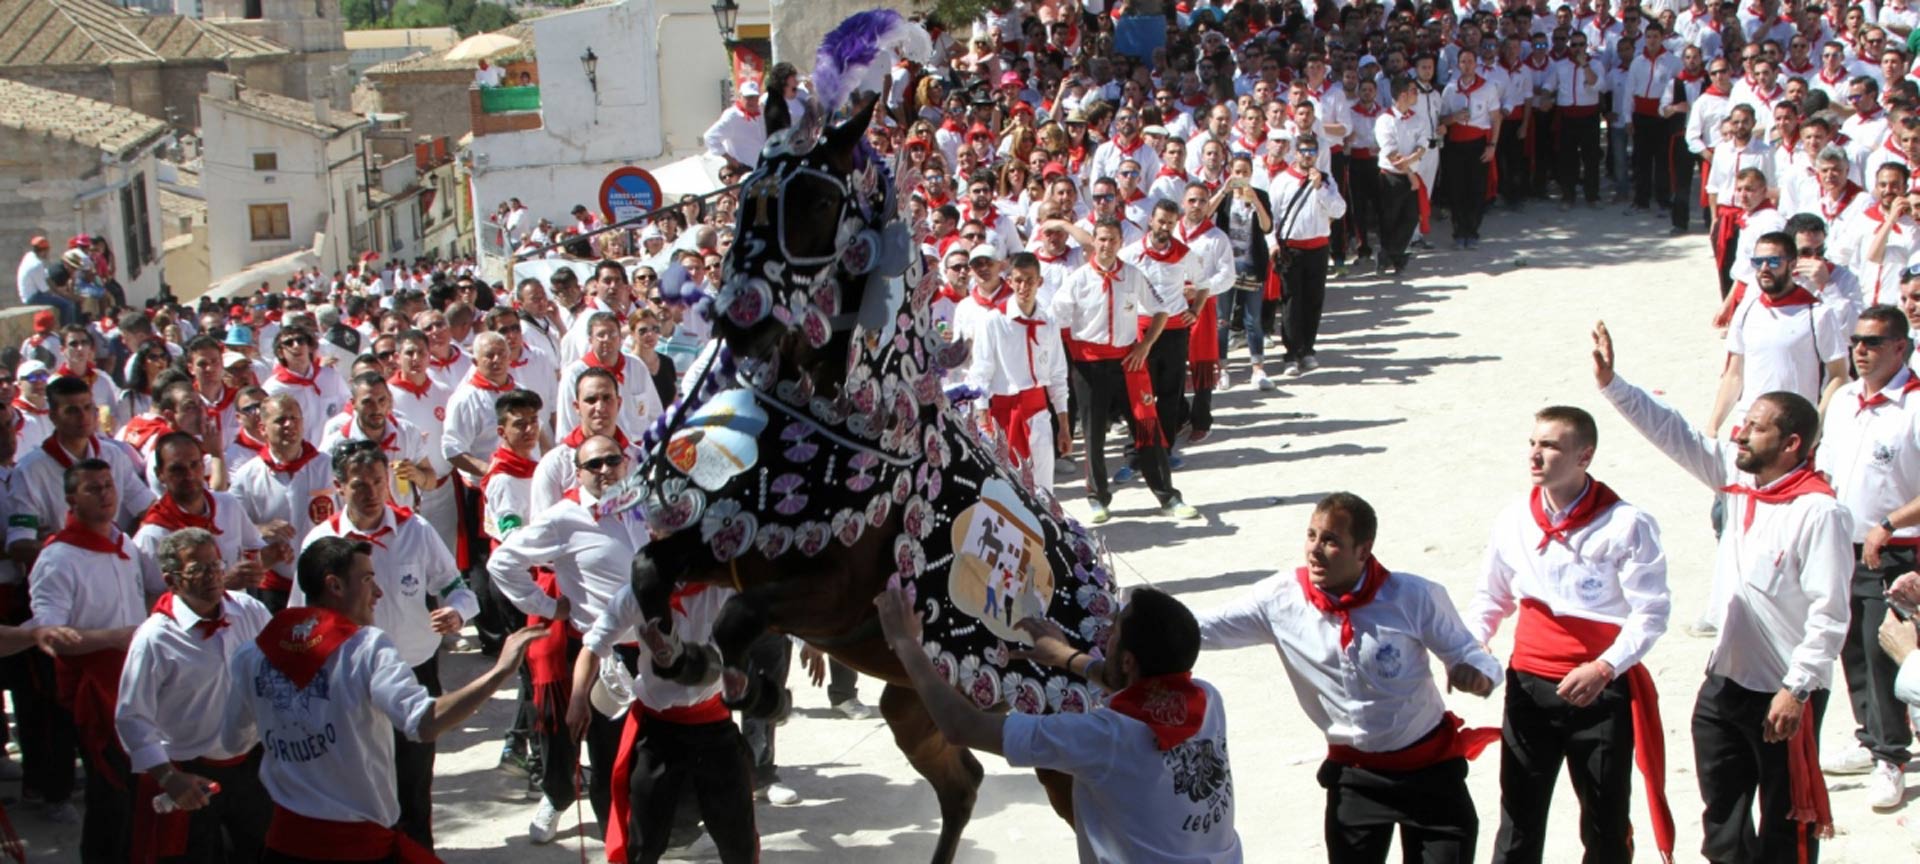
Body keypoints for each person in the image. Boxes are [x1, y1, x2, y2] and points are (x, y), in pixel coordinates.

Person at [1593, 321, 1850, 863]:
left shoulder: (1819, 512)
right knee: (1722, 822)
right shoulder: (1738, 480)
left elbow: (1830, 614)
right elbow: (1676, 434)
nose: (1739, 434)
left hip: (1784, 690)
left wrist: (1796, 689)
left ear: (1791, 444)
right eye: (1743, 422)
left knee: (1786, 826)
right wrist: (1614, 384)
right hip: (1725, 681)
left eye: (1755, 427)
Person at [1192, 492, 1501, 863]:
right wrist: (1137, 616)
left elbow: (1467, 652)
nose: (1314, 550)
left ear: (1363, 550)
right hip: (1355, 778)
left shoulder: (1413, 596)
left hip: (1431, 773)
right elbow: (1201, 629)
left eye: (1330, 540)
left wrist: (1478, 675)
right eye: (1311, 536)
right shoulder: (1279, 600)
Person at [875, 575, 1242, 862]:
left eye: (1114, 632)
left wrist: (905, 643)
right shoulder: (1208, 700)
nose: (1107, 636)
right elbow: (1127, 683)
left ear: (1129, 660)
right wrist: (1065, 656)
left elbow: (961, 727)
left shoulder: (1103, 739)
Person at [221, 537, 539, 864]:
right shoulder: (365, 648)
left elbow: (232, 742)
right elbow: (424, 722)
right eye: (367, 579)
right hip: (358, 848)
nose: (378, 592)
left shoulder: (252, 655)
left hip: (286, 845)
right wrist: (500, 672)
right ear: (335, 586)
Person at [1466, 407, 1675, 863]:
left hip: (1598, 690)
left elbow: (1651, 612)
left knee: (1605, 825)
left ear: (1584, 456)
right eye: (1533, 443)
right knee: (1518, 821)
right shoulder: (1514, 518)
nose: (1535, 455)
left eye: (1550, 446)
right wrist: (1475, 644)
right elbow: (1491, 596)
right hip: (1528, 687)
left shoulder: (1625, 524)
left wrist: (1604, 667)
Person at [295, 440, 476, 851]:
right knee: (361, 784)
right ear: (339, 487)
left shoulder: (415, 530)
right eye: (359, 484)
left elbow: (457, 588)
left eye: (378, 481)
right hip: (348, 682)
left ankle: (418, 853)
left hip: (413, 670)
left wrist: (457, 613)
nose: (372, 492)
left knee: (414, 783)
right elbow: (300, 616)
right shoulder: (321, 542)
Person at [488, 434, 647, 844]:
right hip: (603, 657)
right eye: (593, 464)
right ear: (577, 473)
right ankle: (617, 842)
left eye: (612, 460)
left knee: (653, 752)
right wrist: (546, 605)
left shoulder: (643, 505)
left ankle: (655, 834)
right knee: (610, 759)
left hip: (654, 650)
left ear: (626, 463)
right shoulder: (563, 517)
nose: (605, 470)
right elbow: (503, 562)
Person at [27, 458, 165, 861]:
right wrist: (113, 638)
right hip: (95, 690)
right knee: (110, 793)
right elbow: (50, 635)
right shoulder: (59, 557)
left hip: (135, 680)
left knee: (140, 788)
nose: (105, 494)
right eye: (93, 488)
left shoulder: (124, 542)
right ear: (71, 499)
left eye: (108, 485)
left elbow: (147, 594)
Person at [577, 564, 757, 862]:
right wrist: (577, 698)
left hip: (713, 726)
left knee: (739, 841)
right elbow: (593, 646)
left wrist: (809, 641)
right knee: (643, 842)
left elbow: (722, 658)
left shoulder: (723, 590)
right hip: (658, 730)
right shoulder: (636, 595)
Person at [115, 527, 273, 863]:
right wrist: (168, 778)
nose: (212, 576)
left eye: (215, 565)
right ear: (171, 580)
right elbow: (131, 717)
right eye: (198, 569)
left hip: (253, 765)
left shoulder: (250, 611)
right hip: (192, 774)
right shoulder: (154, 639)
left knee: (262, 850)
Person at [1819, 305, 1920, 809]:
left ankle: (1891, 756)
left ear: (1900, 347)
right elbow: (1826, 468)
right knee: (1851, 645)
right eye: (1856, 341)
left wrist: (1890, 524)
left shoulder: (1914, 405)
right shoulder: (1843, 400)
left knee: (1883, 650)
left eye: (1873, 342)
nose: (1860, 350)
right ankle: (1869, 735)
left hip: (1897, 549)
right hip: (1844, 543)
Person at [1046, 218, 1196, 523]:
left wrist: (1145, 346)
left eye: (1112, 240)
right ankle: (1097, 498)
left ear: (1120, 243)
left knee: (1146, 427)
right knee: (1094, 434)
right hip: (1089, 365)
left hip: (1128, 362)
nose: (1106, 245)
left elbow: (1161, 310)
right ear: (1093, 241)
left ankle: (1167, 495)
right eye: (1101, 239)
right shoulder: (1078, 279)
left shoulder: (1132, 275)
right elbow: (1054, 321)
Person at [963, 252, 1069, 493]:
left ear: (1039, 282)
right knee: (1008, 487)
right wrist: (984, 421)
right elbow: (981, 374)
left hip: (1039, 413)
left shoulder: (1048, 322)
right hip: (1004, 415)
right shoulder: (993, 321)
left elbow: (1057, 374)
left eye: (1030, 280)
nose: (1024, 287)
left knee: (1043, 485)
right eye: (1018, 280)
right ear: (1009, 281)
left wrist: (1063, 424)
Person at [228, 396, 333, 612]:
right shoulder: (247, 476)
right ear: (262, 428)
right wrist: (259, 529)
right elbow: (231, 529)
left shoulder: (328, 467)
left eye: (294, 418)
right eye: (280, 420)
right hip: (273, 586)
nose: (289, 425)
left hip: (323, 582)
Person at [1268, 133, 1349, 376]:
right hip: (1291, 248)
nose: (1307, 156)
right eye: (1303, 151)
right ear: (1295, 153)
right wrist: (1272, 244)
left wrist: (1320, 189)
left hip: (1318, 247)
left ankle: (1308, 349)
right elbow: (1271, 217)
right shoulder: (1282, 181)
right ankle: (1291, 353)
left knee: (1314, 300)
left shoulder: (1326, 180)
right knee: (1292, 301)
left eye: (1312, 152)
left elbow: (1339, 209)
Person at [1375, 76, 1430, 275]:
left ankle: (1391, 254)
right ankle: (1393, 257)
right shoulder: (1385, 120)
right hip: (1391, 176)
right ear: (1403, 95)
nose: (1417, 94)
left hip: (1410, 174)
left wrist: (1413, 158)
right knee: (1390, 219)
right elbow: (1391, 153)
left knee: (1411, 217)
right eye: (1414, 90)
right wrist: (1409, 173)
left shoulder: (1418, 118)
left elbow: (1423, 144)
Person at [704, 79, 768, 172]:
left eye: (755, 97)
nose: (752, 101)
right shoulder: (733, 116)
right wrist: (729, 159)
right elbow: (710, 137)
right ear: (740, 97)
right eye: (748, 97)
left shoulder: (760, 111)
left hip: (761, 168)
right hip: (744, 169)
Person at [17, 236, 76, 326]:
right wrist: (61, 295)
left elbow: (47, 277)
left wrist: (59, 292)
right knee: (67, 305)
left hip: (31, 295)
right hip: (33, 297)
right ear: (45, 250)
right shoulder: (36, 264)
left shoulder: (30, 256)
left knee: (65, 300)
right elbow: (45, 290)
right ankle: (66, 329)